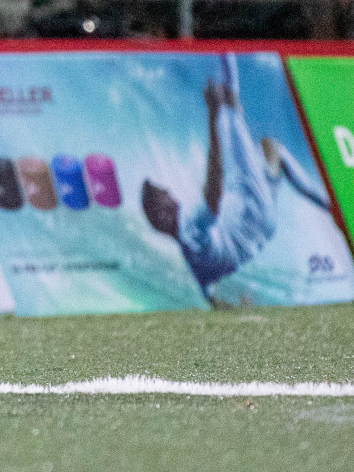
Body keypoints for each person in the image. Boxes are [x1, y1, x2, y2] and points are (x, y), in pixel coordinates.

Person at [141, 56, 334, 299]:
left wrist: (234, 307)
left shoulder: (191, 258)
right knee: (229, 107)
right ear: (161, 214)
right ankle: (226, 51)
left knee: (272, 150)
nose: (169, 193)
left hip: (261, 229)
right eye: (163, 194)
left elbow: (208, 294)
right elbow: (213, 193)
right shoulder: (189, 224)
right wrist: (212, 115)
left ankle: (330, 205)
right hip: (249, 205)